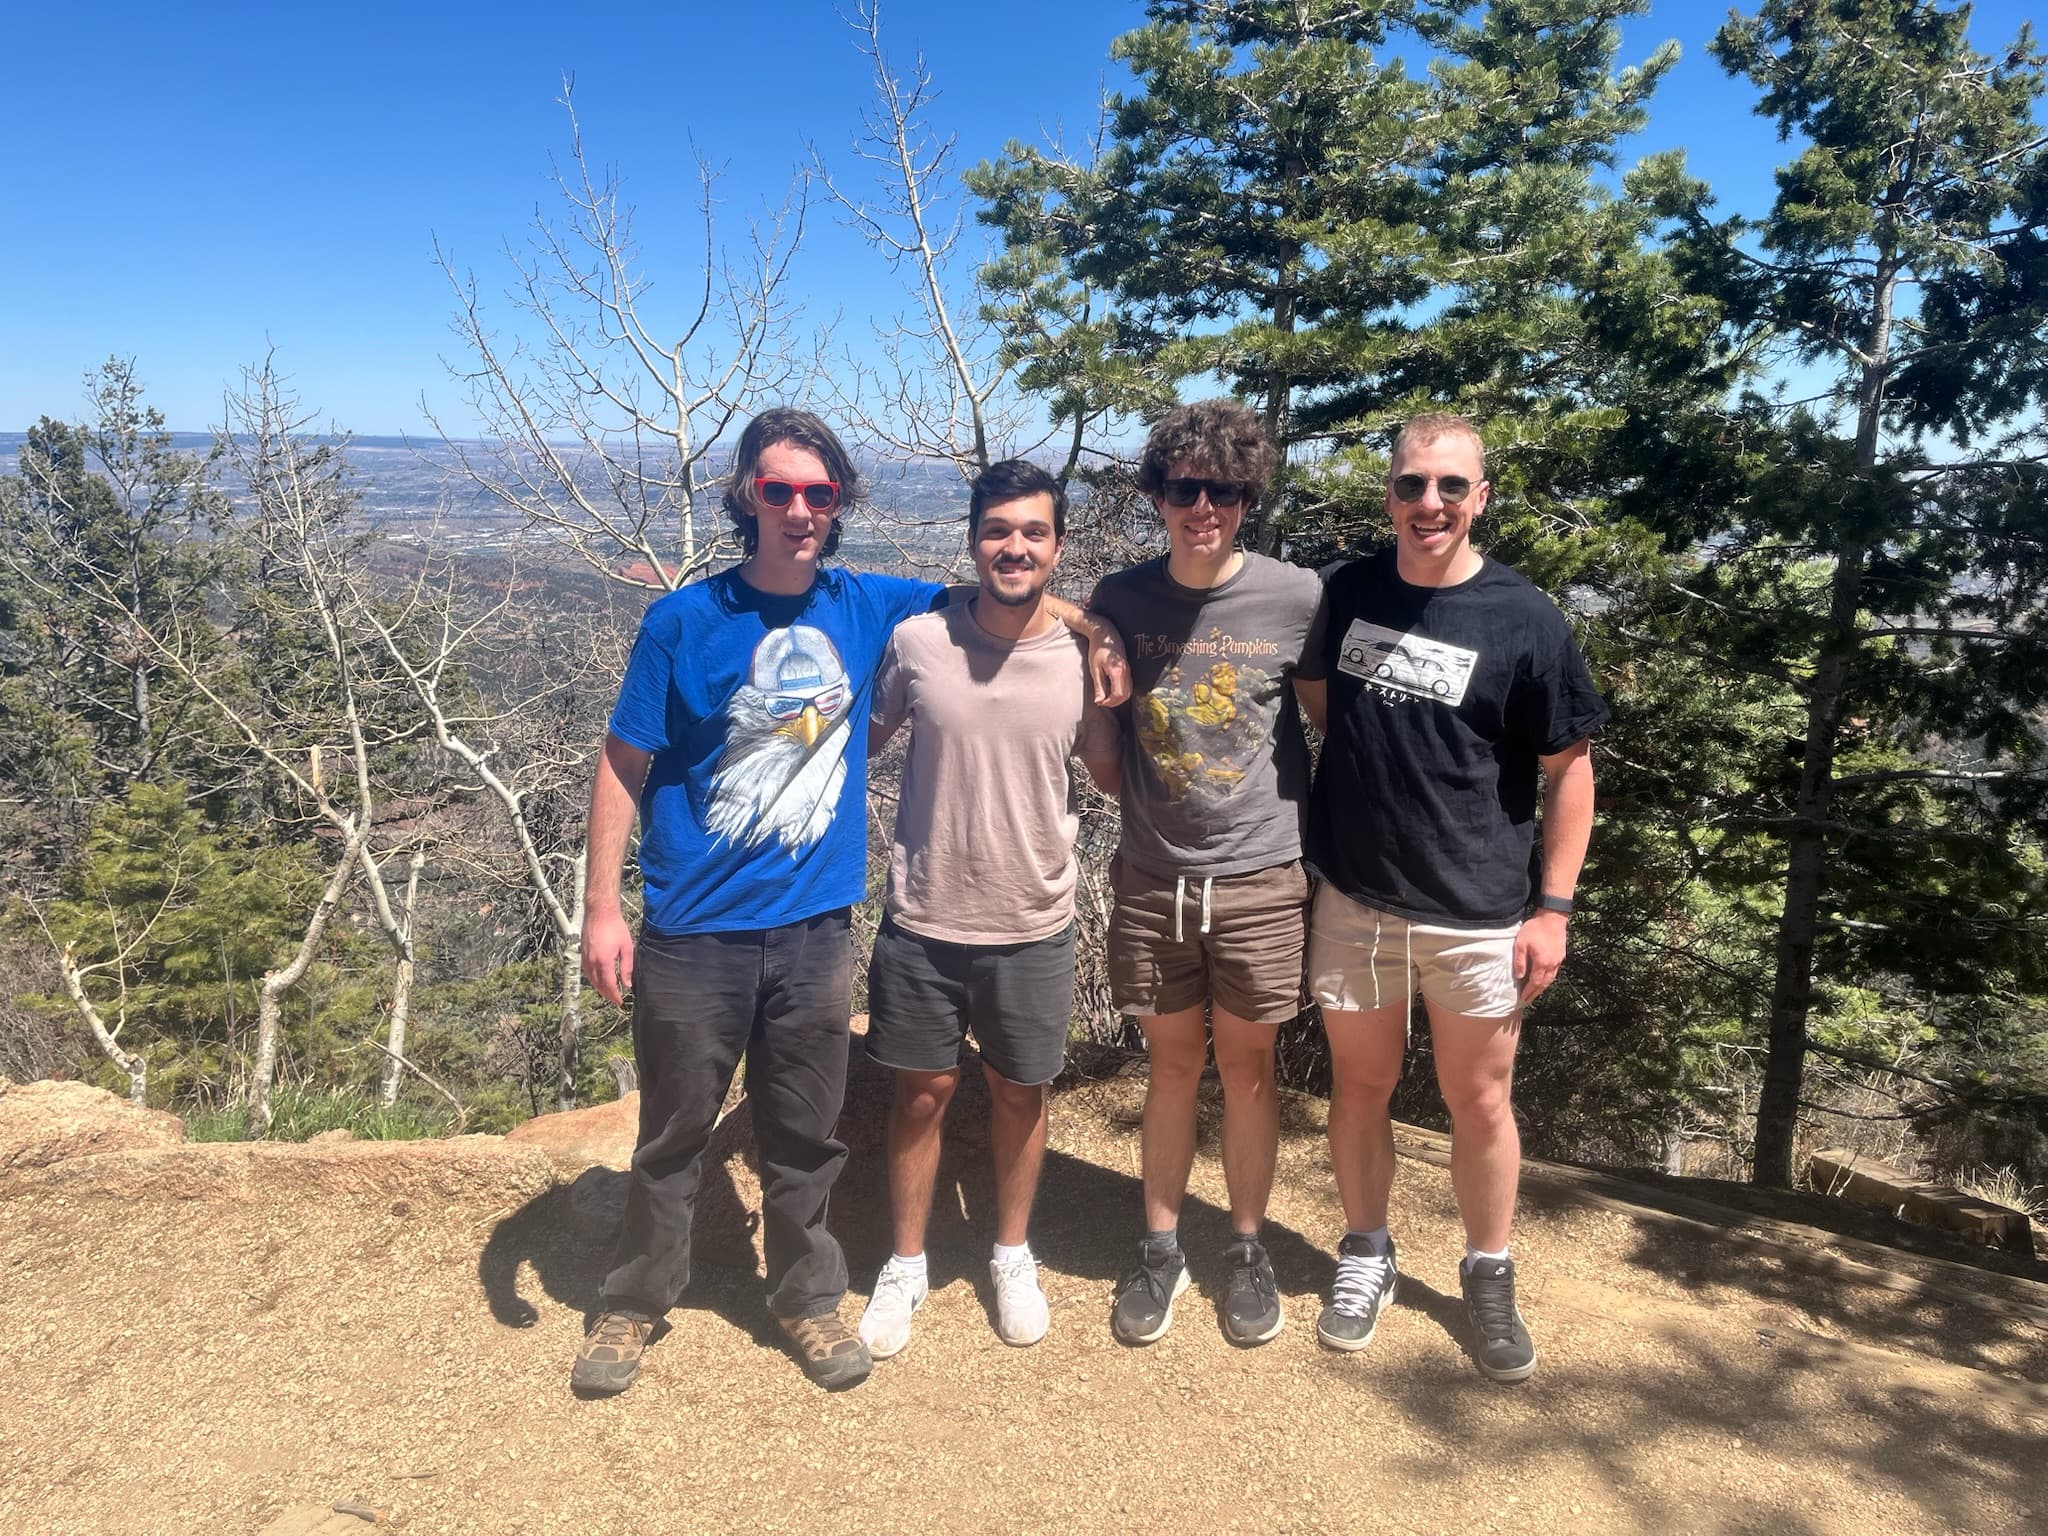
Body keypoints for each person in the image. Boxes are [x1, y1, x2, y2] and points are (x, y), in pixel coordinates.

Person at [573, 410, 1126, 1395]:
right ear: (744, 493)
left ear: (839, 504)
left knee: (801, 1128)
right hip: (692, 925)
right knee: (672, 1126)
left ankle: (803, 1296)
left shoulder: (872, 607)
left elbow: (1003, 590)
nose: (798, 510)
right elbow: (622, 761)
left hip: (816, 924)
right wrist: (602, 909)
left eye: (818, 493)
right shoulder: (683, 621)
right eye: (778, 490)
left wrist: (1092, 624)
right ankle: (633, 1297)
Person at [1300, 412, 1606, 1383]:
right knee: (1360, 1088)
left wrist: (1551, 909)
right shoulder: (1347, 592)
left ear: (1480, 498)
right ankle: (1365, 1251)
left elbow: (1569, 770)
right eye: (1409, 485)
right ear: (1387, 494)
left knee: (1478, 1105)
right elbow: (1317, 699)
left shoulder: (1526, 620)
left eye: (1447, 486)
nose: (1426, 503)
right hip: (1353, 898)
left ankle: (1485, 1271)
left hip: (1476, 915)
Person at [856, 459, 1121, 1360]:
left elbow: (1115, 772)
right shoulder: (918, 642)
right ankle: (906, 1260)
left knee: (1020, 1091)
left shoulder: (1082, 659)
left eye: (1034, 532)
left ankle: (1012, 1251)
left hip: (1034, 922)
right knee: (920, 1093)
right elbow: (858, 741)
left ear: (1057, 545)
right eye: (998, 530)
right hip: (924, 914)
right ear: (972, 540)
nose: (1015, 547)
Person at [1088, 400, 1326, 1348]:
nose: (1203, 507)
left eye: (1223, 490)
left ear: (1246, 497)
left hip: (1261, 876)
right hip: (1153, 875)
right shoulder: (1123, 596)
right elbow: (1063, 630)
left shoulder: (1295, 597)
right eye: (1184, 488)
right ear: (1157, 495)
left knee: (1252, 1070)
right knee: (1172, 1068)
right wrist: (1090, 637)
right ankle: (1158, 1247)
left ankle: (1244, 1246)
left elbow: (1324, 725)